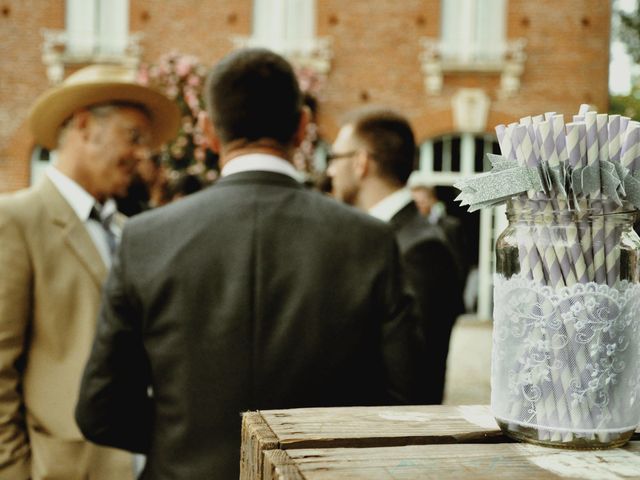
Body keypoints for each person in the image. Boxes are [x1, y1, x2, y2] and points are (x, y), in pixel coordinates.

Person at [75, 48, 418, 479]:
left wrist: (181, 434)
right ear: (302, 128)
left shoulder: (146, 238)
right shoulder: (369, 240)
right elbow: (407, 399)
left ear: (207, 131)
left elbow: (99, 409)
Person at [0, 64, 180, 479]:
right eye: (133, 137)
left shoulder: (129, 231)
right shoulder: (17, 221)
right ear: (83, 125)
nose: (142, 154)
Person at [327, 106, 464, 404]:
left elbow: (414, 375)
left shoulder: (420, 248)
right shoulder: (381, 235)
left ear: (361, 163)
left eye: (335, 158)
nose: (330, 170)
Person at [408, 172, 469, 287]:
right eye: (415, 203)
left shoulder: (451, 226)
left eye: (422, 202)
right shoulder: (407, 228)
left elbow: (460, 262)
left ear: (432, 200)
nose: (419, 207)